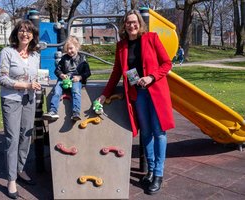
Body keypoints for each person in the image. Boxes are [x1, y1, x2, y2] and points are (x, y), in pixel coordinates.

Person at [96, 10, 175, 195]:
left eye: (134, 22)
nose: (132, 25)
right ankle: (150, 170)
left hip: (155, 92)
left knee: (159, 132)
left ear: (140, 23)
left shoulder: (152, 38)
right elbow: (117, 72)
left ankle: (158, 174)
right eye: (128, 22)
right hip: (137, 94)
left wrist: (151, 77)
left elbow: (167, 63)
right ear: (124, 25)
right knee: (145, 132)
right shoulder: (121, 46)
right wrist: (104, 94)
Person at [0, 20, 41, 199]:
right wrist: (26, 84)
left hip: (29, 100)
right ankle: (11, 180)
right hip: (11, 100)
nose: (25, 34)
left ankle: (20, 170)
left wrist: (37, 84)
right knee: (12, 139)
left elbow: (37, 77)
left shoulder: (35, 56)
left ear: (33, 35)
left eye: (28, 31)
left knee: (26, 137)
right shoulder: (7, 52)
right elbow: (3, 79)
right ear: (16, 34)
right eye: (22, 31)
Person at [44, 36, 91, 121]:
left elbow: (88, 72)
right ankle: (53, 111)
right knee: (57, 91)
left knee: (76, 91)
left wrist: (80, 77)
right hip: (64, 79)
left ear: (77, 47)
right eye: (67, 49)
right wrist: (61, 75)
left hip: (75, 79)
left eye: (71, 48)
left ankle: (76, 112)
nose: (69, 51)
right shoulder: (64, 58)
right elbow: (57, 70)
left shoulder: (82, 58)